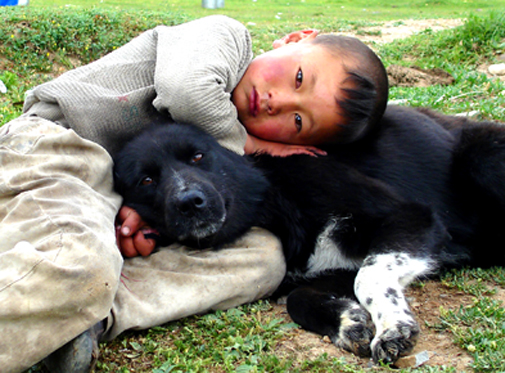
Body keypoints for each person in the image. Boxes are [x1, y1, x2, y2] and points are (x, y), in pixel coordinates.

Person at [0, 15, 388, 373]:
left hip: (107, 192)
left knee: (265, 260)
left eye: (299, 121)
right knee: (78, 259)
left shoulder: (225, 146)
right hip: (61, 148)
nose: (279, 101)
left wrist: (141, 209)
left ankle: (88, 319)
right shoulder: (227, 39)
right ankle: (60, 298)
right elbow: (186, 90)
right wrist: (249, 142)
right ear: (296, 38)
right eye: (299, 77)